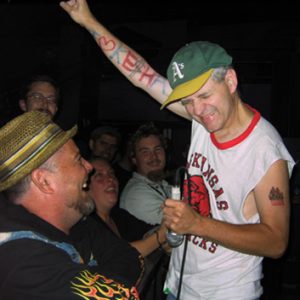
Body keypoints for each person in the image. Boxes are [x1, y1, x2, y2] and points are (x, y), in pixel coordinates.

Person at [60, 1, 295, 299]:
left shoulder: (264, 150)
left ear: (231, 81)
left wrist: (197, 224)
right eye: (187, 101)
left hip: (227, 292)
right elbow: (139, 73)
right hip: (181, 282)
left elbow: (276, 241)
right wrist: (88, 21)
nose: (197, 110)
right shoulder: (203, 116)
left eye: (205, 95)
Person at [0, 111, 141, 299]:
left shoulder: (76, 220)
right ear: (44, 181)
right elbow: (122, 295)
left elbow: (131, 256)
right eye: (77, 159)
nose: (89, 166)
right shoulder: (22, 260)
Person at [88, 157, 167, 255]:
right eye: (99, 175)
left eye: (112, 173)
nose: (110, 179)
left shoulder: (118, 215)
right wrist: (162, 235)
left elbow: (147, 231)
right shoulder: (86, 224)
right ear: (85, 186)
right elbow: (120, 255)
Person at [120, 122, 172, 226]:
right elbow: (181, 225)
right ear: (134, 159)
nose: (154, 157)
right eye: (145, 152)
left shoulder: (163, 184)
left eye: (157, 149)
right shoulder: (136, 194)